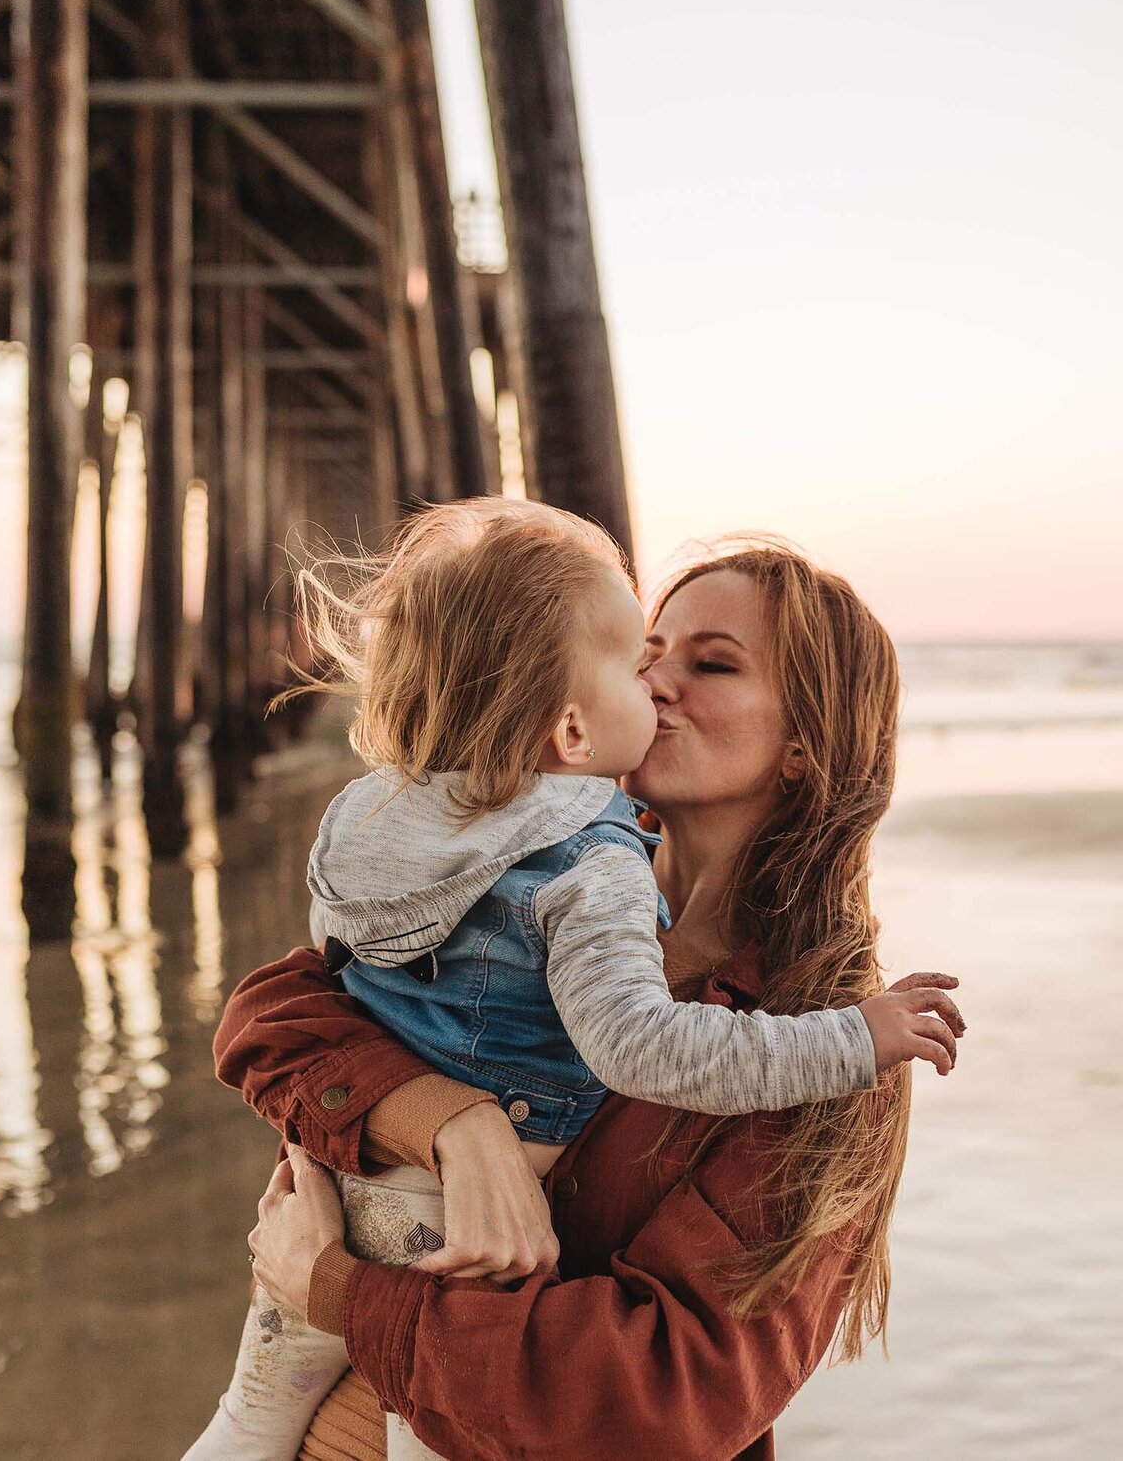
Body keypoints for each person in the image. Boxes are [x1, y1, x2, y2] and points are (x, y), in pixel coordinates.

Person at [187, 502, 954, 1461]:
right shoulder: (524, 868)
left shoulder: (820, 1049)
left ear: (806, 743)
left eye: (711, 664)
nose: (655, 678)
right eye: (648, 649)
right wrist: (448, 1124)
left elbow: (664, 1398)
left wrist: (342, 1293)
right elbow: (272, 1019)